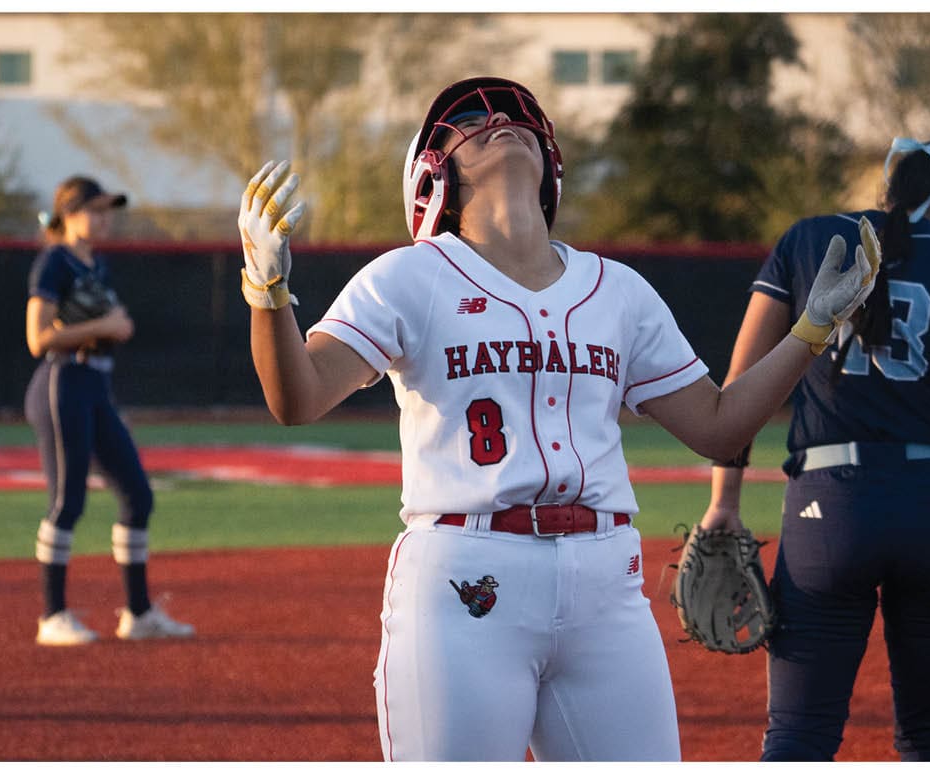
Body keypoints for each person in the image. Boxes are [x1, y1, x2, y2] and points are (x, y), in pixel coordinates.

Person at [236, 76, 878, 761]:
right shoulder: (405, 276)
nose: (499, 121)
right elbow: (297, 398)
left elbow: (719, 426)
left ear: (551, 164)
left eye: (515, 115)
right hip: (466, 577)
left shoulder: (619, 289)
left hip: (607, 580)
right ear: (433, 175)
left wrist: (812, 327)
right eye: (468, 122)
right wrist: (266, 293)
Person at [699, 138, 930, 761]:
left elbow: (741, 384)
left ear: (887, 193)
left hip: (829, 506)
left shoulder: (809, 238)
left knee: (799, 735)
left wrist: (724, 501)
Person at [25, 175, 195, 646]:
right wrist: (105, 324)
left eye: (106, 211)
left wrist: (112, 328)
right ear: (69, 212)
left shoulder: (95, 263)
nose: (104, 219)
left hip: (94, 384)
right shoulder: (53, 261)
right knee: (67, 501)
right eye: (95, 210)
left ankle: (138, 613)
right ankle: (52, 615)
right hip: (62, 381)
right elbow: (37, 339)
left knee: (138, 496)